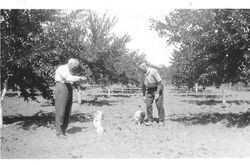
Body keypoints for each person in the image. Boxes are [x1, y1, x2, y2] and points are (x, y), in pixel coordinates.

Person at [54, 58, 87, 138]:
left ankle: (64, 130)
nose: (75, 68)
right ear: (71, 64)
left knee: (67, 110)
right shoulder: (62, 68)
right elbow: (68, 78)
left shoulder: (69, 70)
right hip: (61, 87)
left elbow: (71, 79)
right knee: (61, 110)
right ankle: (59, 132)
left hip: (68, 87)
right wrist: (80, 78)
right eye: (75, 66)